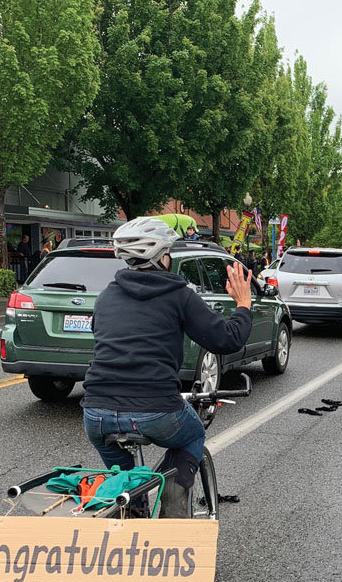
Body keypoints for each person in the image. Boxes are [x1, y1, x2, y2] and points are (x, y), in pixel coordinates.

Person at [81, 218, 253, 516]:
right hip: (155, 409)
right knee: (193, 434)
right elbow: (227, 340)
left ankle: (131, 511)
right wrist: (243, 304)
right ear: (162, 257)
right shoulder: (178, 295)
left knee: (126, 482)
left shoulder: (107, 295)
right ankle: (171, 493)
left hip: (96, 414)